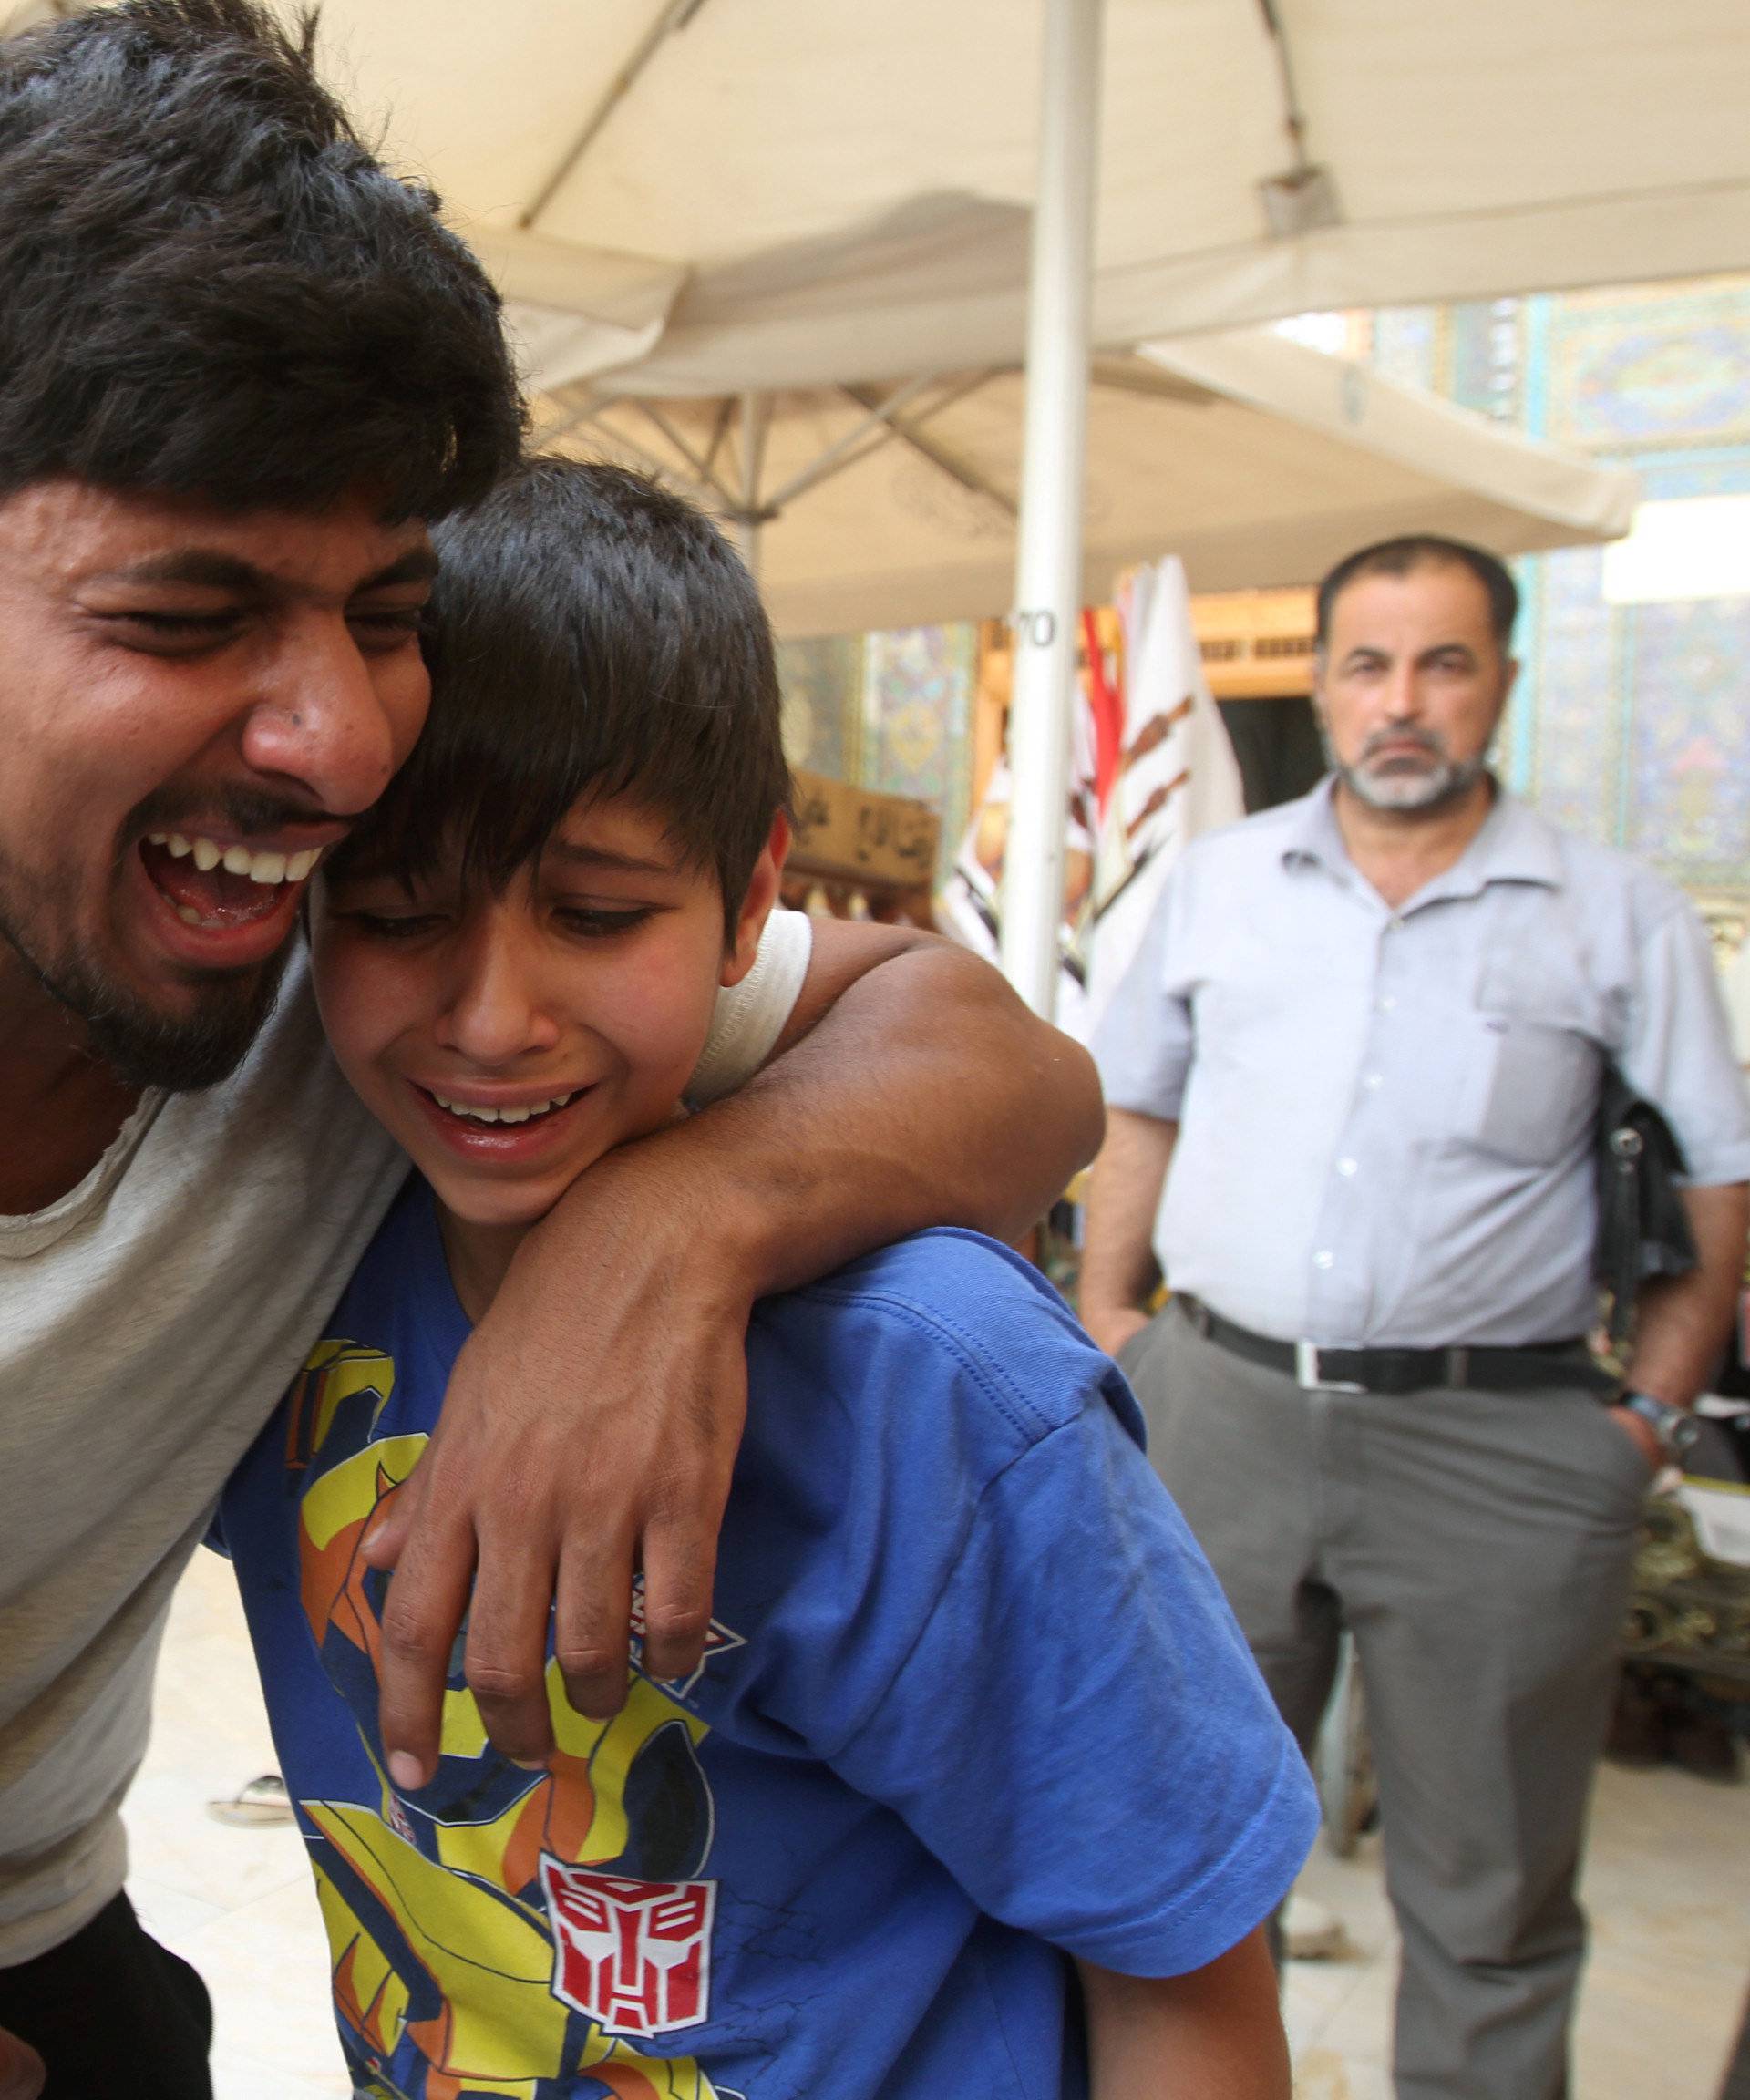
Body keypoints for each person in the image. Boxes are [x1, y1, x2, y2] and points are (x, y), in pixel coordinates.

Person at [0, 6, 1100, 2094]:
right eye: (184, 616)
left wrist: (662, 1241)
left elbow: (998, 1055)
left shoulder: (361, 988)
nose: (338, 751)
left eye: (388, 610)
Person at [215, 455, 1317, 2098]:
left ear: (752, 904)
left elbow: (1186, 1979)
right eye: (395, 914)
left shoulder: (933, 1386)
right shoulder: (272, 1253)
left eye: (596, 915)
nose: (493, 1013)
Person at [1080, 532, 1750, 2100]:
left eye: (1444, 664)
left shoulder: (1618, 914)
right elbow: (1135, 1109)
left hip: (1501, 1447)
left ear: (1503, 684)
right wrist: (1114, 1319)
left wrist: (1646, 1416)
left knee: (1492, 1905)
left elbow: (1723, 1179)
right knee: (1170, 1868)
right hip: (1219, 1414)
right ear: (1321, 684)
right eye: (1370, 665)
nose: (1403, 703)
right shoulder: (1218, 885)